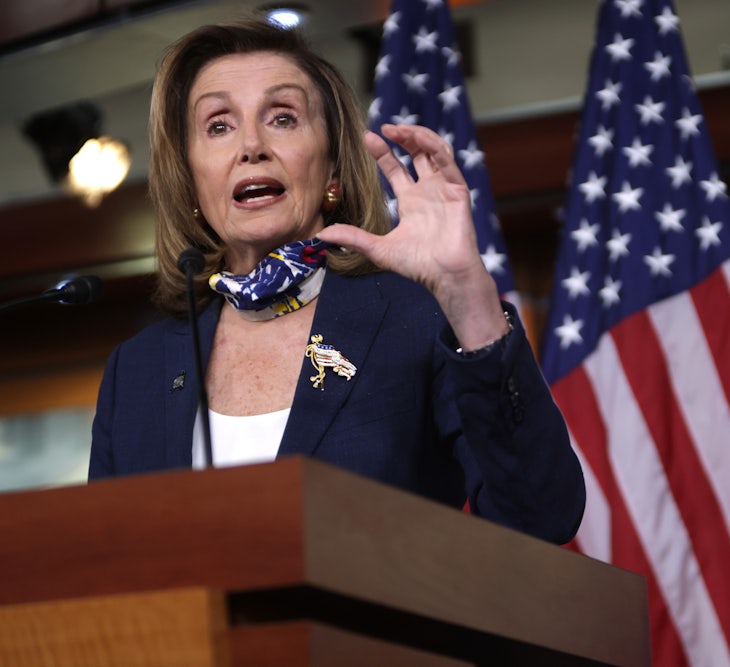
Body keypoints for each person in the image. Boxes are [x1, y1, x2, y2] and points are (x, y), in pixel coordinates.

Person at [88, 19, 585, 545]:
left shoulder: (415, 321)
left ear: (331, 167)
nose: (251, 145)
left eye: (283, 118)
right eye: (218, 126)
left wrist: (466, 294)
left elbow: (540, 517)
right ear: (189, 177)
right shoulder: (137, 370)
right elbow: (104, 562)